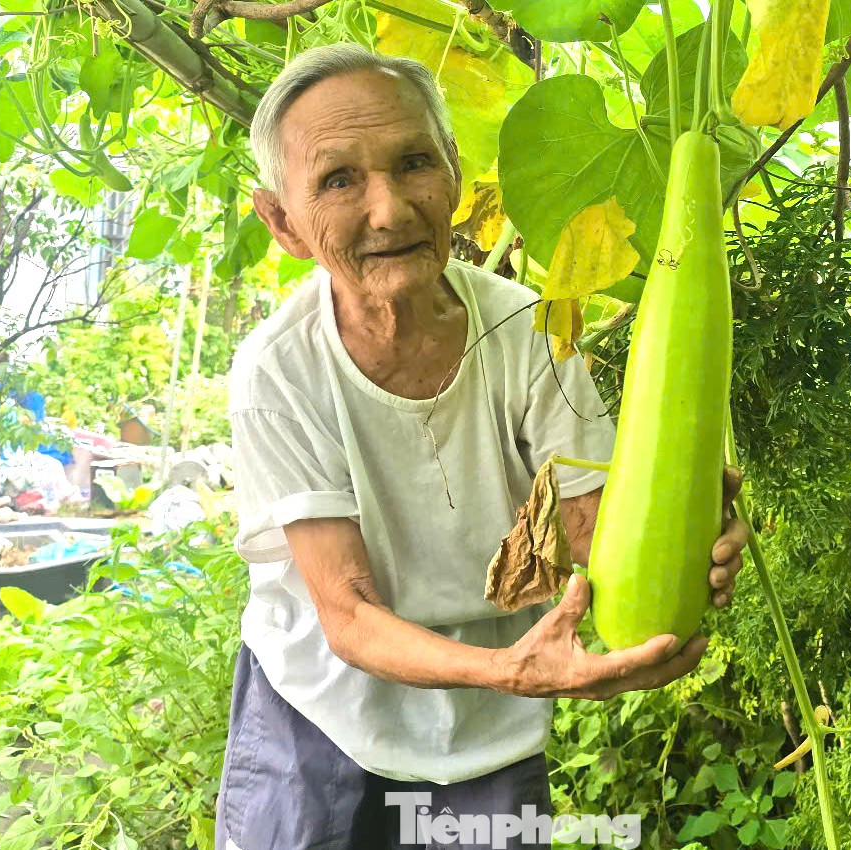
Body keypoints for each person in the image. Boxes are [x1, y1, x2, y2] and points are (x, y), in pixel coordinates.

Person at [215, 42, 750, 850]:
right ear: (282, 222)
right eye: (338, 180)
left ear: (456, 176)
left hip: (489, 730)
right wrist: (514, 672)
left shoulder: (531, 327)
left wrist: (685, 524)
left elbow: (589, 527)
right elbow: (347, 614)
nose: (389, 208)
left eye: (413, 162)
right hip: (319, 711)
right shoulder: (277, 369)